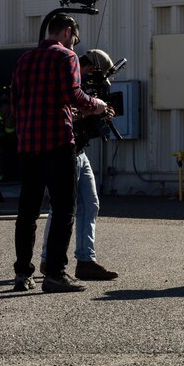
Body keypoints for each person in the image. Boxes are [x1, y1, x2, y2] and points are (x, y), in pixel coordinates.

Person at [11, 14, 108, 293]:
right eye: (74, 40)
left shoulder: (24, 59)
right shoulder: (67, 58)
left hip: (28, 144)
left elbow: (15, 103)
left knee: (27, 211)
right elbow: (72, 94)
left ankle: (22, 274)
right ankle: (54, 274)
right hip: (56, 141)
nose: (75, 46)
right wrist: (97, 104)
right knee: (65, 208)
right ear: (67, 32)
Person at [40, 49, 118, 281]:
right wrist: (90, 110)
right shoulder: (69, 83)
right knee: (61, 209)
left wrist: (101, 113)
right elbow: (65, 114)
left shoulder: (83, 88)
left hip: (80, 153)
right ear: (92, 68)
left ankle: (85, 260)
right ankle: (49, 259)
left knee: (90, 204)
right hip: (66, 152)